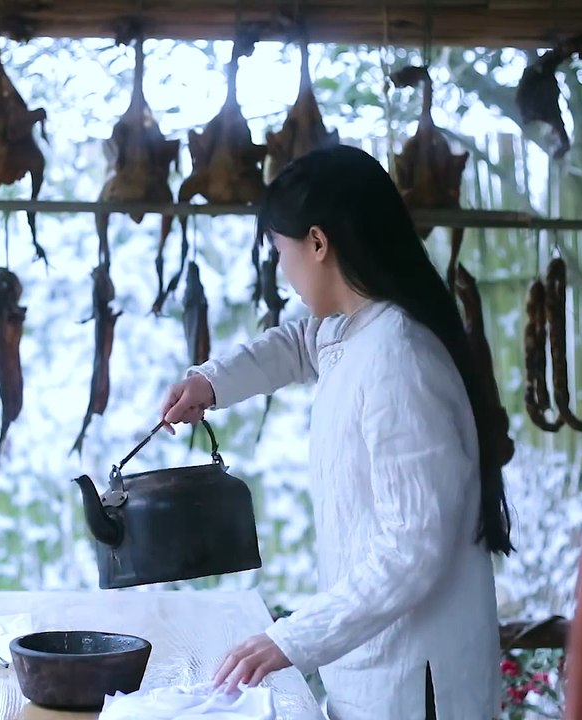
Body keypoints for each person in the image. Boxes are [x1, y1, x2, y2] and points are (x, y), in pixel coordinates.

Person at [159, 145, 515, 720]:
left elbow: (412, 550)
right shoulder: (358, 329)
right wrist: (211, 381)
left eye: (282, 253)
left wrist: (291, 639)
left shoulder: (399, 357)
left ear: (318, 244)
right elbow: (300, 343)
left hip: (414, 685)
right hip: (373, 668)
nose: (282, 271)